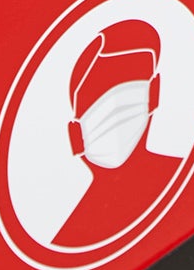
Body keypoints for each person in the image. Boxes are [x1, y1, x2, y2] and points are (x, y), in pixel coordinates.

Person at [52, 20, 181, 243]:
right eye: (96, 95)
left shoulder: (188, 180)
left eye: (129, 79)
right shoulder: (71, 237)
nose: (114, 102)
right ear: (75, 134)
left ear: (154, 92)